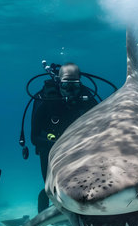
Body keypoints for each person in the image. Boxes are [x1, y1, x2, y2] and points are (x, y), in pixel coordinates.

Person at [30, 63, 98, 212]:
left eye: (74, 86)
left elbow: (102, 126)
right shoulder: (45, 99)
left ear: (80, 83)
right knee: (52, 186)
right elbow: (34, 137)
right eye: (66, 86)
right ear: (58, 82)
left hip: (79, 147)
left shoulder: (86, 98)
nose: (70, 92)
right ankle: (46, 197)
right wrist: (56, 143)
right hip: (50, 149)